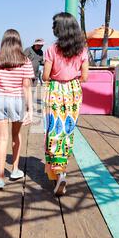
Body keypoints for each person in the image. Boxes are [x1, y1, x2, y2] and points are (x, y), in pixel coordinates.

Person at [43, 12, 89, 196]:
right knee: (67, 130)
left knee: (54, 129)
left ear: (60, 28)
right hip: (73, 91)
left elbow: (46, 76)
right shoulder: (82, 49)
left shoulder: (51, 49)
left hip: (55, 90)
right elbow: (85, 76)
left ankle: (59, 172)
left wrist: (52, 75)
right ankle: (61, 169)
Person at [0, 29, 34, 190]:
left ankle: (0, 177)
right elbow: (26, 86)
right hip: (18, 100)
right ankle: (15, 170)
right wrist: (30, 109)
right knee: (15, 136)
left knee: (2, 139)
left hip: (1, 99)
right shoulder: (25, 61)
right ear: (18, 42)